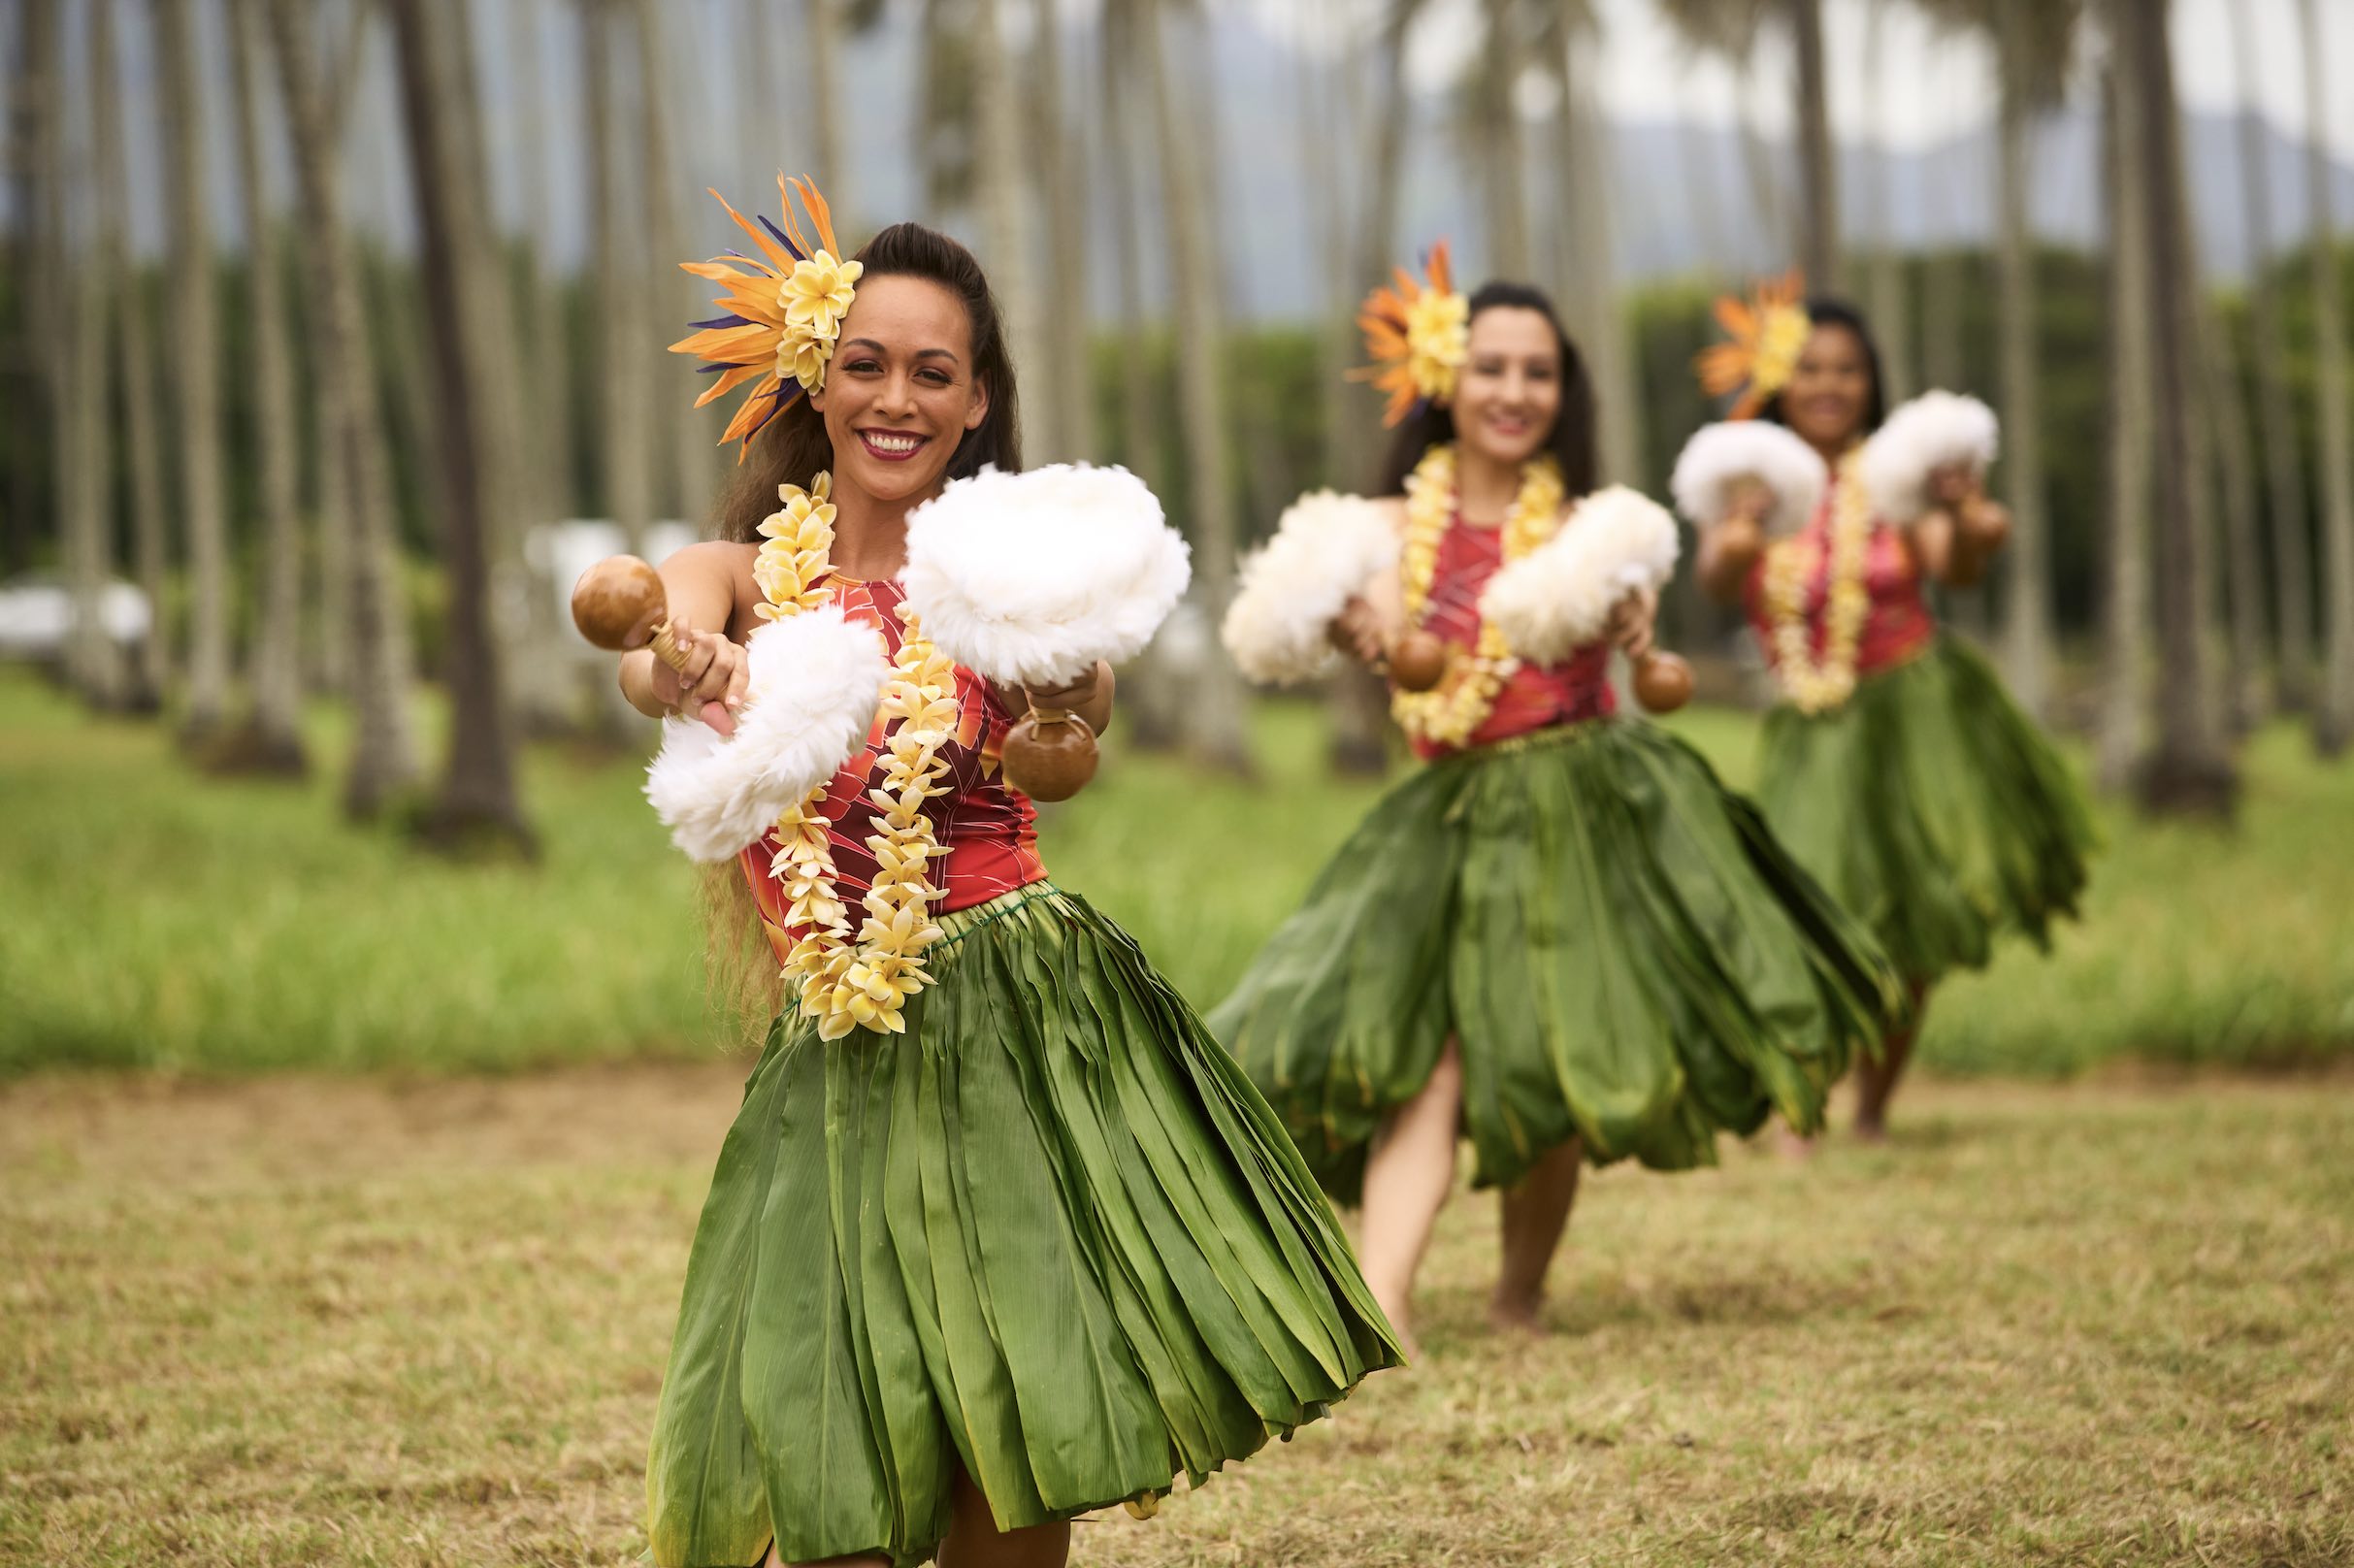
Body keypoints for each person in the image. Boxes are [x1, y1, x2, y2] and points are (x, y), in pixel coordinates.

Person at [622, 180, 1399, 1568]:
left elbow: (1076, 714)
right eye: (864, 364)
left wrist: (1061, 690)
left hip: (1016, 1017)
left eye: (934, 372)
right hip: (837, 1040)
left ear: (978, 402)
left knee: (1015, 1437)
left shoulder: (1000, 586)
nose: (895, 400)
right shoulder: (737, 572)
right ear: (817, 375)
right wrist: (689, 657)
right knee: (827, 1434)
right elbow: (647, 645)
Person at [1210, 249, 1899, 1355]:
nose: (1512, 392)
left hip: (1582, 808)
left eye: (1536, 371)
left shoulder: (1599, 528)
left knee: (1548, 1057)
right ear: (1445, 376)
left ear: (1560, 389)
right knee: (1424, 1062)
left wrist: (1635, 631)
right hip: (1445, 817)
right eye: (1490, 367)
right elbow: (1405, 671)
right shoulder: (1380, 528)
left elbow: (1652, 671)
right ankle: (1382, 1298)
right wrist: (1368, 638)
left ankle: (1517, 1294)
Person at [1679, 280, 2094, 1140]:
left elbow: (1958, 565)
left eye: (1849, 369)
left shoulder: (1899, 477)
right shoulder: (1748, 479)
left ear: (1873, 381)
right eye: (1811, 368)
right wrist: (1736, 537)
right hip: (1811, 726)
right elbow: (1718, 580)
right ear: (1780, 381)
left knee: (1911, 927)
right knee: (1805, 918)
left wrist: (1968, 517)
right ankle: (1803, 1107)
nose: (1829, 385)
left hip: (1915, 717)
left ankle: (1872, 1108)